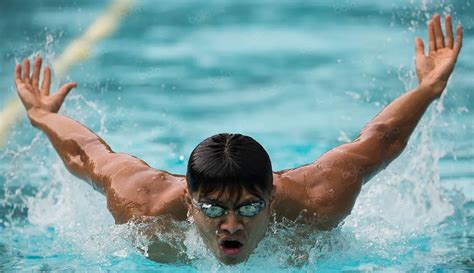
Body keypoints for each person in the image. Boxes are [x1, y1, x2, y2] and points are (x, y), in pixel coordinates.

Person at [13, 14, 462, 265]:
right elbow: (88, 155)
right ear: (189, 202)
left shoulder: (316, 200)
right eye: (212, 208)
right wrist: (40, 116)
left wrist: (427, 89)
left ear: (271, 199)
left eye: (248, 206)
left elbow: (379, 142)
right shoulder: (144, 206)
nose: (231, 224)